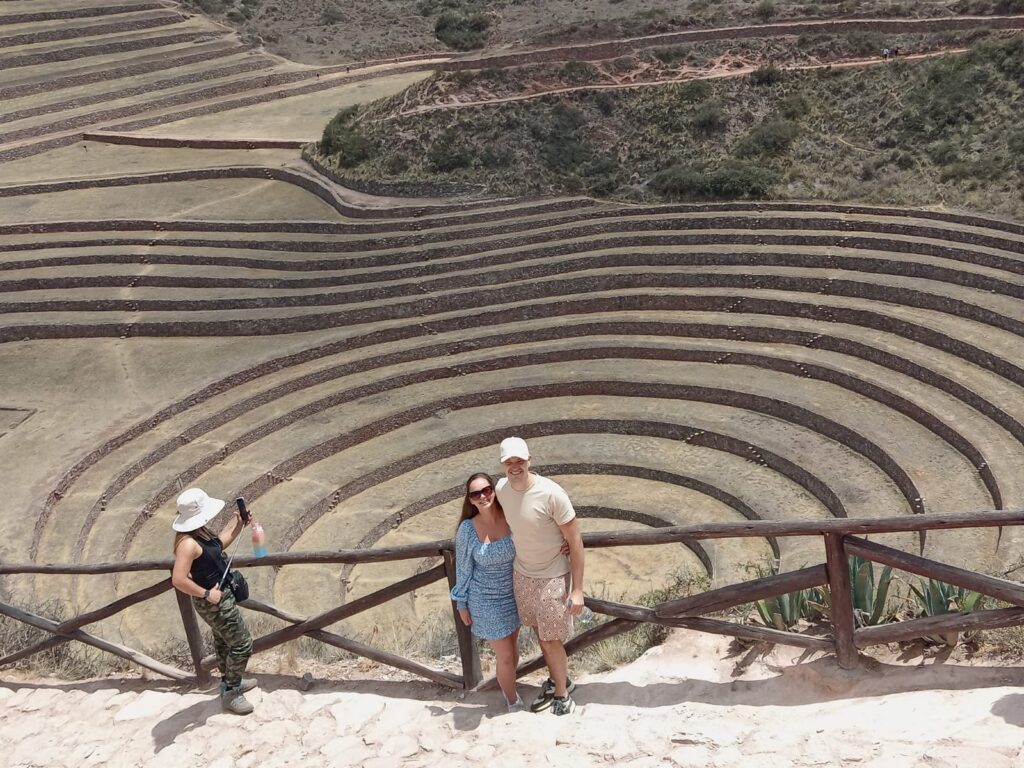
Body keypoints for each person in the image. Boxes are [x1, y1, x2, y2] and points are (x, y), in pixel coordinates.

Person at [495, 437, 585, 716]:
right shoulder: (500, 489)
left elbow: (575, 538)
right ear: (502, 465)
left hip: (552, 574)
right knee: (538, 631)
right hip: (522, 573)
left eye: (519, 461)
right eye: (509, 462)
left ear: (529, 460)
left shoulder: (552, 493)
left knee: (550, 638)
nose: (515, 467)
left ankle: (562, 693)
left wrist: (577, 590)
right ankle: (560, 679)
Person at [171, 487, 256, 715]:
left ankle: (229, 682)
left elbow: (219, 544)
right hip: (213, 601)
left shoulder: (201, 532)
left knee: (223, 642)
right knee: (242, 644)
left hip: (220, 597)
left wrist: (238, 524)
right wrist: (207, 594)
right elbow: (178, 579)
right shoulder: (188, 543)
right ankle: (232, 692)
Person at [450, 473, 524, 712]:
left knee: (514, 651)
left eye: (486, 490)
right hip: (484, 599)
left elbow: (533, 538)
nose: (482, 496)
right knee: (504, 656)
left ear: (494, 491)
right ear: (470, 500)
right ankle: (513, 701)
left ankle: (508, 687)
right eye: (475, 494)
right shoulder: (467, 530)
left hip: (512, 594)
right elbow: (462, 568)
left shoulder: (510, 517)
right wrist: (461, 603)